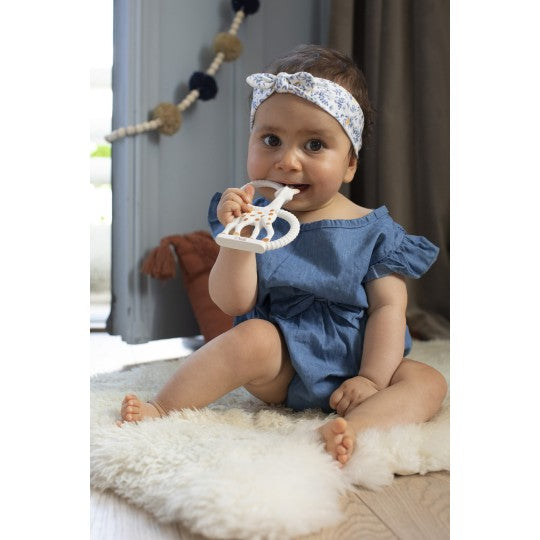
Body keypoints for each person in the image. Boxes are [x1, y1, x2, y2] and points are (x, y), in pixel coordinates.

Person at [119, 44, 447, 467]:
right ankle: (162, 407)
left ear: (349, 164)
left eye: (314, 145)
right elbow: (233, 302)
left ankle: (352, 428)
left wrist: (371, 378)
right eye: (271, 140)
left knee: (427, 382)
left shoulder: (375, 231)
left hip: (360, 359)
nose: (287, 162)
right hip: (283, 364)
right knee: (251, 337)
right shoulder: (253, 217)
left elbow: (388, 309)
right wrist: (239, 239)